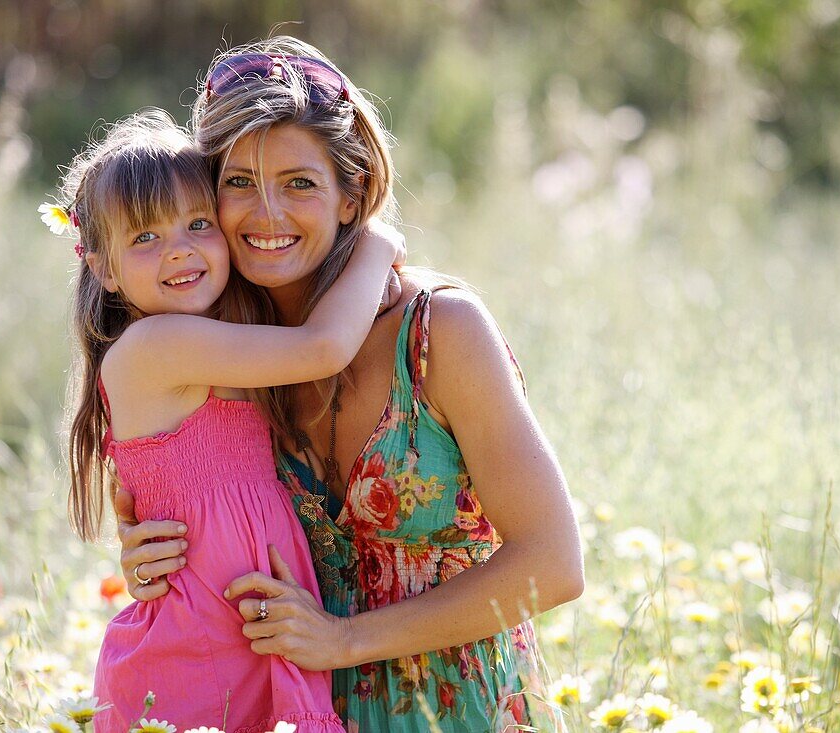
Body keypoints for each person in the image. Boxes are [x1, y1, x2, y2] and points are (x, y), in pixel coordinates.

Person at [115, 37, 585, 732]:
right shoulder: (215, 360)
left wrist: (345, 639)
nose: (266, 214)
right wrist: (156, 558)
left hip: (458, 710)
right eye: (238, 182)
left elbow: (553, 562)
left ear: (352, 194)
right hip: (295, 710)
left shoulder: (436, 331)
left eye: (299, 183)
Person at [50, 107, 403, 732]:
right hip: (196, 653)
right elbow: (322, 348)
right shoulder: (153, 347)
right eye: (144, 237)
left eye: (196, 224)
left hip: (255, 632)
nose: (179, 251)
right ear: (103, 268)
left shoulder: (229, 330)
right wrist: (376, 246)